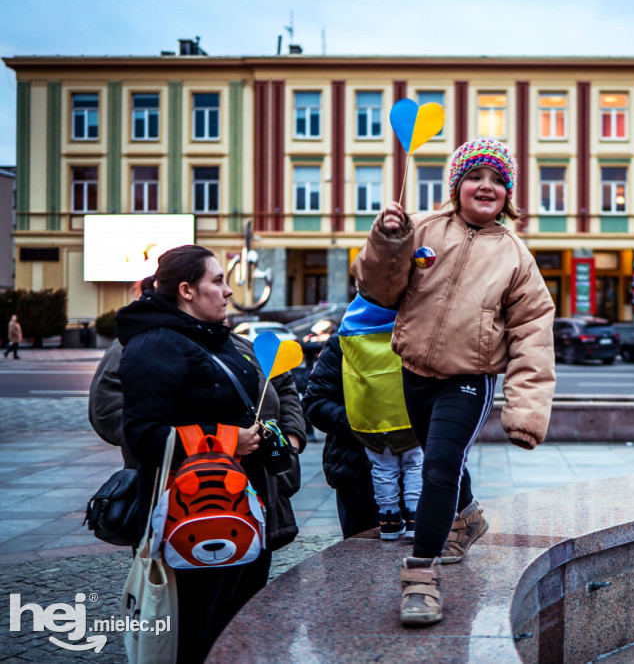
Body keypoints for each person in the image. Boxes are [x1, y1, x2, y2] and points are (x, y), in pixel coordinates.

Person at [351, 138, 556, 626]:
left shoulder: (515, 257)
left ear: (507, 194)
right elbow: (376, 288)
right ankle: (467, 515)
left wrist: (525, 407)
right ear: (456, 186)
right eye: (475, 177)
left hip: (470, 377)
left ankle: (421, 580)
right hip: (414, 371)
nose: (486, 186)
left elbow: (534, 331)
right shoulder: (422, 229)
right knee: (444, 459)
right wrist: (386, 241)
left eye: (497, 180)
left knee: (437, 466)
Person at [116, 244, 302, 662]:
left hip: (239, 509)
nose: (228, 291)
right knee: (198, 634)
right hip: (192, 517)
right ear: (186, 290)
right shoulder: (155, 345)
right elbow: (143, 435)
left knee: (237, 626)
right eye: (217, 281)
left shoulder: (218, 340)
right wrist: (227, 440)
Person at [304, 290, 422, 541]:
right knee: (361, 560)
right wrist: (366, 425)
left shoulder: (418, 339)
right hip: (358, 473)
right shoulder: (342, 342)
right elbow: (315, 402)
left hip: (417, 471)